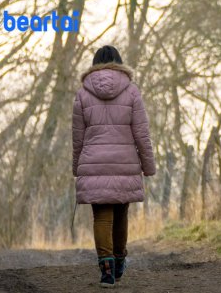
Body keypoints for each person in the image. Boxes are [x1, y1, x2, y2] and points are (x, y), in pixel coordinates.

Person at [72, 45, 156, 287]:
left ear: (94, 63)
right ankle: (119, 262)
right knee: (121, 214)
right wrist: (148, 166)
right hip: (125, 163)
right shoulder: (131, 91)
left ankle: (106, 270)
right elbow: (142, 133)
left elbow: (77, 136)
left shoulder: (82, 94)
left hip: (93, 164)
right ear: (119, 62)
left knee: (101, 217)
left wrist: (77, 167)